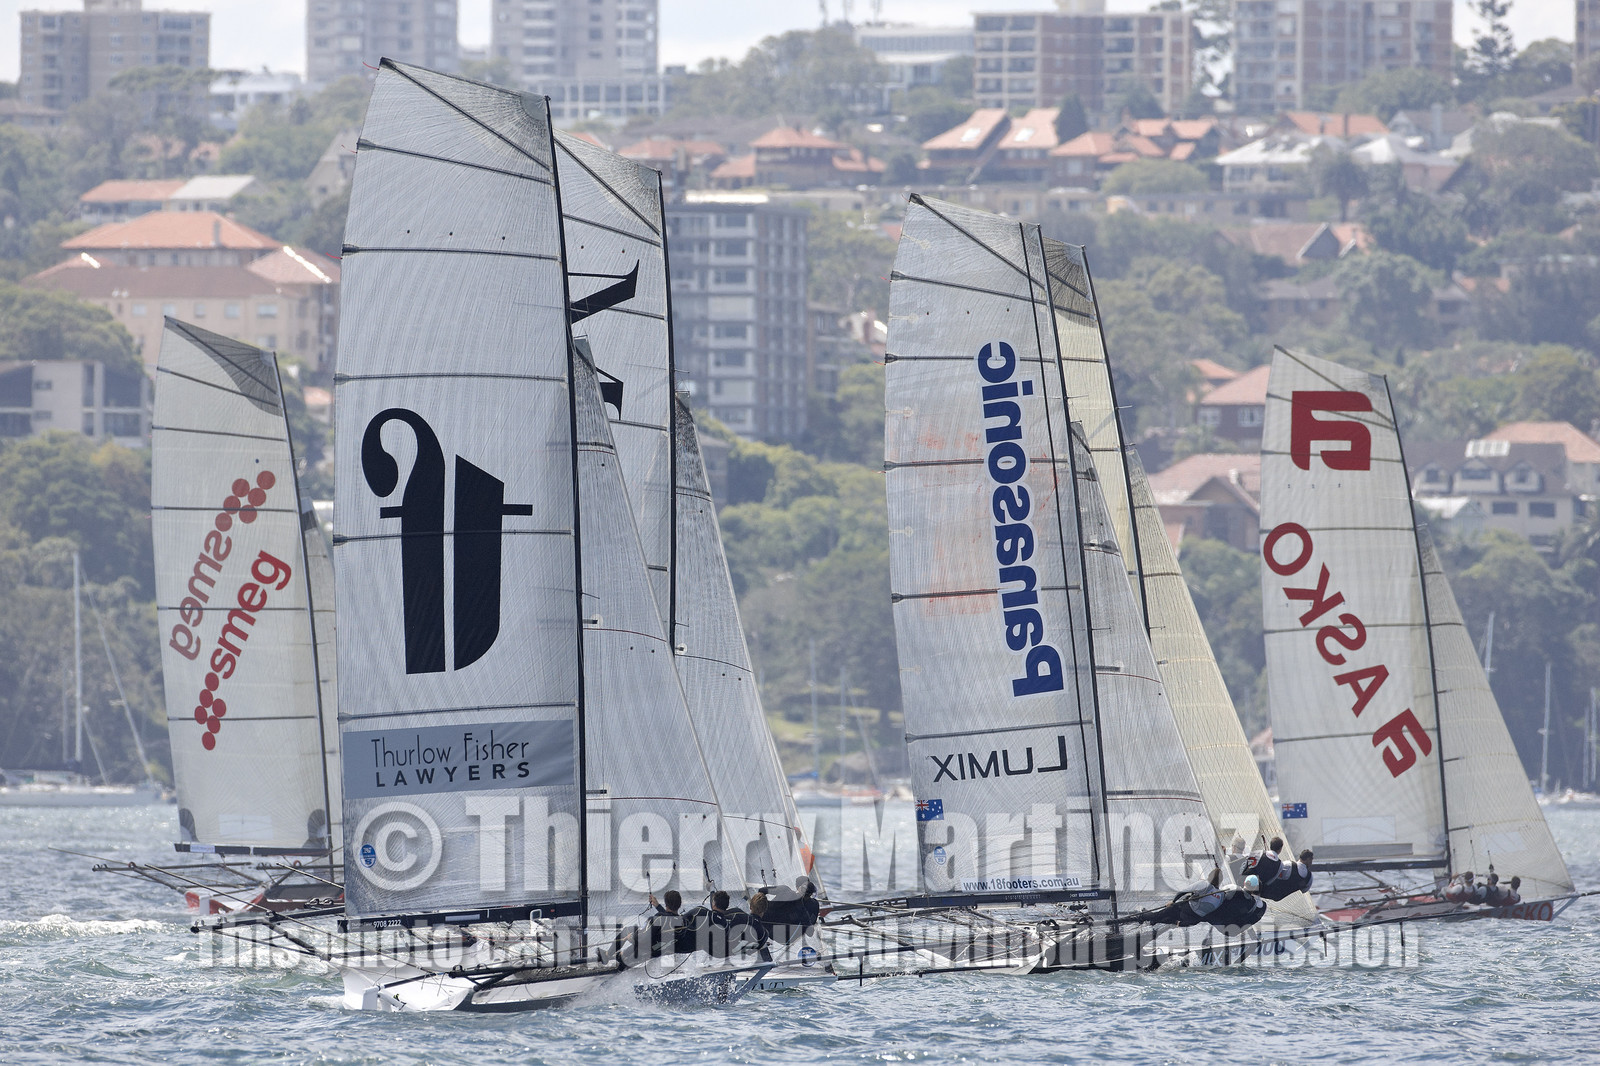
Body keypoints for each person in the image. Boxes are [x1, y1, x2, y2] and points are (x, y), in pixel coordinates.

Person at [757, 877, 822, 945]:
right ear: (811, 894)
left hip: (771, 930)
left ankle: (756, 918)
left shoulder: (788, 893)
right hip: (789, 939)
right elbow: (810, 932)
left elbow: (761, 890)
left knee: (787, 892)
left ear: (798, 887)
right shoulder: (814, 904)